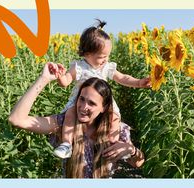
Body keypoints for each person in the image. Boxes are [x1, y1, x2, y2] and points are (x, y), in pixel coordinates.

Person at [8, 62, 145, 178]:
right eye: (81, 99)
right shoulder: (65, 124)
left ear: (104, 107)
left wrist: (132, 150)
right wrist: (44, 79)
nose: (83, 107)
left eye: (91, 103)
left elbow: (138, 163)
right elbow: (17, 119)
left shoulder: (116, 130)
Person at [51, 19, 151, 159]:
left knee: (114, 117)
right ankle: (67, 144)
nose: (105, 59)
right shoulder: (79, 67)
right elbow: (66, 81)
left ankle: (113, 144)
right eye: (101, 57)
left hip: (102, 100)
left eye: (107, 56)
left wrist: (139, 83)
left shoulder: (106, 67)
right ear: (87, 54)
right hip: (81, 100)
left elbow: (122, 78)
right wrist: (60, 76)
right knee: (69, 115)